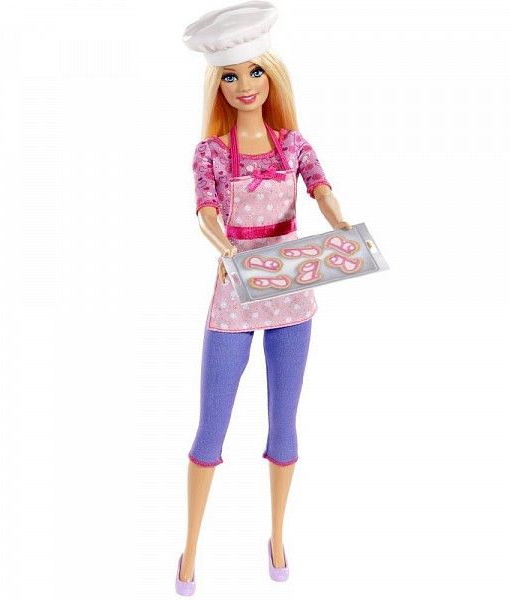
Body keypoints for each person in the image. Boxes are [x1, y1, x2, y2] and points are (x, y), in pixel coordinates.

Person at [176, 2, 351, 594]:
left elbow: (322, 189)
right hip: (235, 288)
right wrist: (225, 246)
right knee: (211, 428)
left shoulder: (293, 145)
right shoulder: (209, 152)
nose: (244, 85)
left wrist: (341, 225)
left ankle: (277, 535)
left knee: (284, 423)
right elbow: (204, 210)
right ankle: (190, 546)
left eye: (254, 72)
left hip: (291, 288)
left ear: (272, 76)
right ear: (218, 85)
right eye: (230, 76)